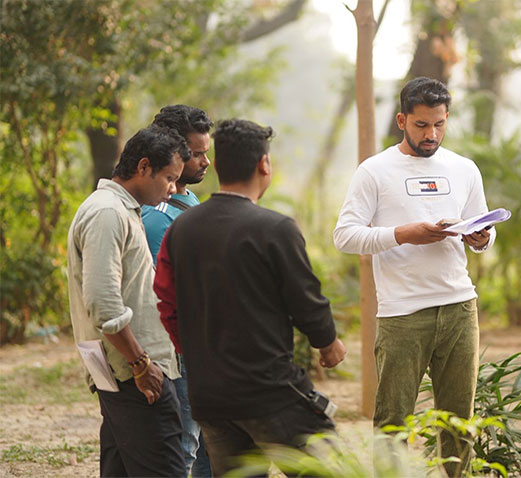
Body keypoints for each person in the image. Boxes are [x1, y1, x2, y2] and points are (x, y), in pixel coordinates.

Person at [153, 118, 346, 476]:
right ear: (264, 164)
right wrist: (328, 343)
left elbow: (166, 302)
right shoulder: (276, 229)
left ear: (218, 164)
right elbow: (306, 298)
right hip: (270, 391)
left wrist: (196, 353)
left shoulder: (182, 229)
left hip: (210, 396)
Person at [333, 77, 495, 476]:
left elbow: (483, 230)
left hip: (459, 307)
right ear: (402, 120)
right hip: (402, 314)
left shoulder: (464, 169)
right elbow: (345, 236)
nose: (431, 134)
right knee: (393, 422)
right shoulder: (374, 171)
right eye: (422, 125)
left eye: (439, 124)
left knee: (458, 422)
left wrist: (481, 237)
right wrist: (403, 234)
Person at [67, 125, 189, 477]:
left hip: (127, 373)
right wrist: (140, 363)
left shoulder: (123, 210)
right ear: (144, 167)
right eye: (169, 178)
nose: (172, 189)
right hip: (135, 376)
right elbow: (103, 302)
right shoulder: (107, 213)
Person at [141, 104, 214, 478]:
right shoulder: (156, 217)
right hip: (179, 351)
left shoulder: (187, 200)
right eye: (196, 154)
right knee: (184, 448)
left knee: (209, 450)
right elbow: (162, 295)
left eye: (206, 152)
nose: (206, 162)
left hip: (202, 347)